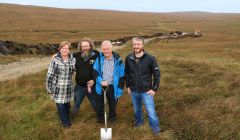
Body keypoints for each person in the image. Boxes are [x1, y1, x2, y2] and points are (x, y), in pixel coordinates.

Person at [125, 36, 161, 134]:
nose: (136, 46)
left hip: (147, 91)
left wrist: (154, 89)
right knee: (137, 110)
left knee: (151, 113)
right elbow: (127, 73)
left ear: (142, 45)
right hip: (134, 90)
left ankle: (156, 131)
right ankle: (138, 124)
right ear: (132, 45)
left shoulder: (150, 58)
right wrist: (128, 86)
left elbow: (157, 75)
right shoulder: (128, 58)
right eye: (135, 44)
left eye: (138, 44)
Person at [93, 40, 124, 123]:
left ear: (111, 48)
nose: (106, 51)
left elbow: (122, 76)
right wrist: (100, 80)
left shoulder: (118, 60)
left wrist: (119, 90)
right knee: (99, 105)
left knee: (112, 105)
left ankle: (112, 119)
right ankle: (101, 119)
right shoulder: (99, 58)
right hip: (100, 86)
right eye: (104, 49)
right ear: (101, 49)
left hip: (113, 86)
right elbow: (94, 71)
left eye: (108, 49)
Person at [46, 41, 76, 128]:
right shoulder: (55, 60)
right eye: (63, 48)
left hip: (68, 87)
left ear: (69, 50)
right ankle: (66, 124)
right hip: (58, 87)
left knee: (67, 105)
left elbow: (79, 69)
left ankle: (66, 118)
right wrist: (49, 89)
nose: (65, 50)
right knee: (60, 105)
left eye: (67, 48)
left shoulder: (73, 60)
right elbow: (50, 75)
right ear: (59, 49)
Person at [72, 37, 99, 115]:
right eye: (83, 46)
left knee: (96, 104)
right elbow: (65, 55)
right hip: (79, 86)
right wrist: (57, 55)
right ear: (80, 47)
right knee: (76, 104)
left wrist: (94, 80)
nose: (85, 48)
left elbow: (100, 69)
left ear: (90, 46)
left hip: (92, 86)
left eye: (86, 46)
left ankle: (100, 118)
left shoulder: (96, 55)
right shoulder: (76, 56)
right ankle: (72, 118)